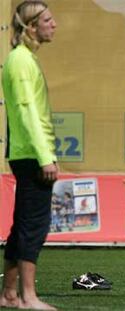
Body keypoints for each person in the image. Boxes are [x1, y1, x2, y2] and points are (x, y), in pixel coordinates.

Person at [0, 1, 58, 310]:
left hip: (28, 152)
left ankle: (9, 294)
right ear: (32, 26)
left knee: (23, 222)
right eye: (48, 20)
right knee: (34, 224)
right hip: (31, 155)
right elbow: (26, 113)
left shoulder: (24, 59)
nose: (54, 24)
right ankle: (27, 296)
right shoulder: (21, 61)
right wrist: (45, 156)